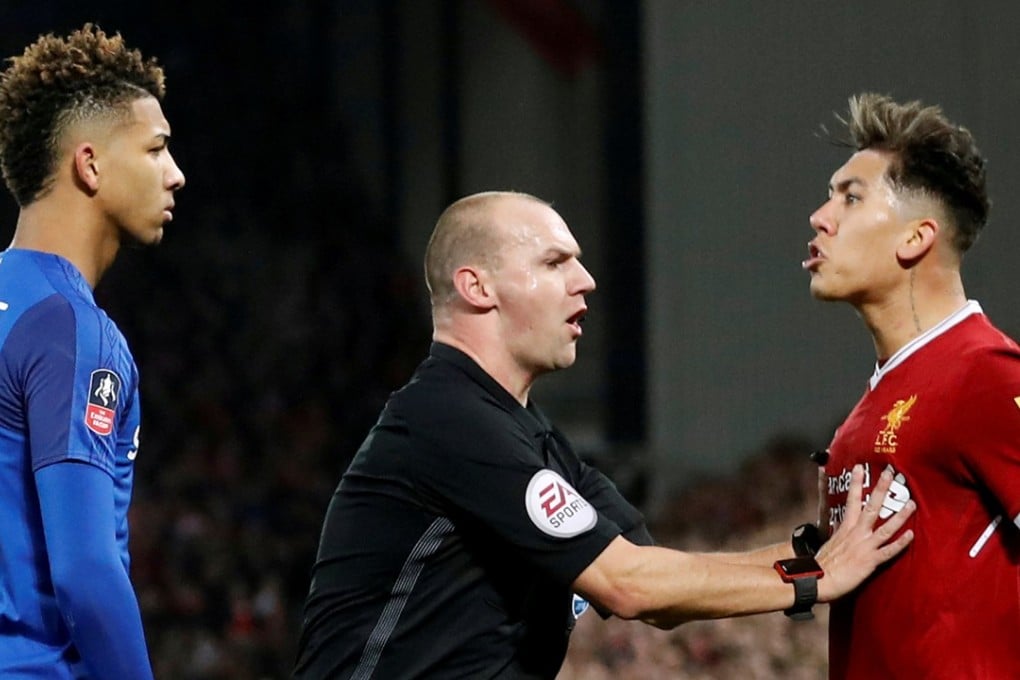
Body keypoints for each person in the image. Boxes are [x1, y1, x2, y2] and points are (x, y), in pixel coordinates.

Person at [295, 190, 915, 679]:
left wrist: (812, 556)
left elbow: (658, 583)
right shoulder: (446, 421)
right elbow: (630, 587)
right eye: (555, 261)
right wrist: (815, 578)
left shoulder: (533, 439)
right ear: (477, 287)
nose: (586, 280)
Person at [805, 93, 1020, 679]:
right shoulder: (862, 417)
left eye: (850, 198)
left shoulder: (986, 373)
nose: (821, 217)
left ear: (915, 239)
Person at [0, 23, 185, 678]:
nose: (176, 175)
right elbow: (84, 572)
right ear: (90, 164)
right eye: (157, 149)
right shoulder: (72, 329)